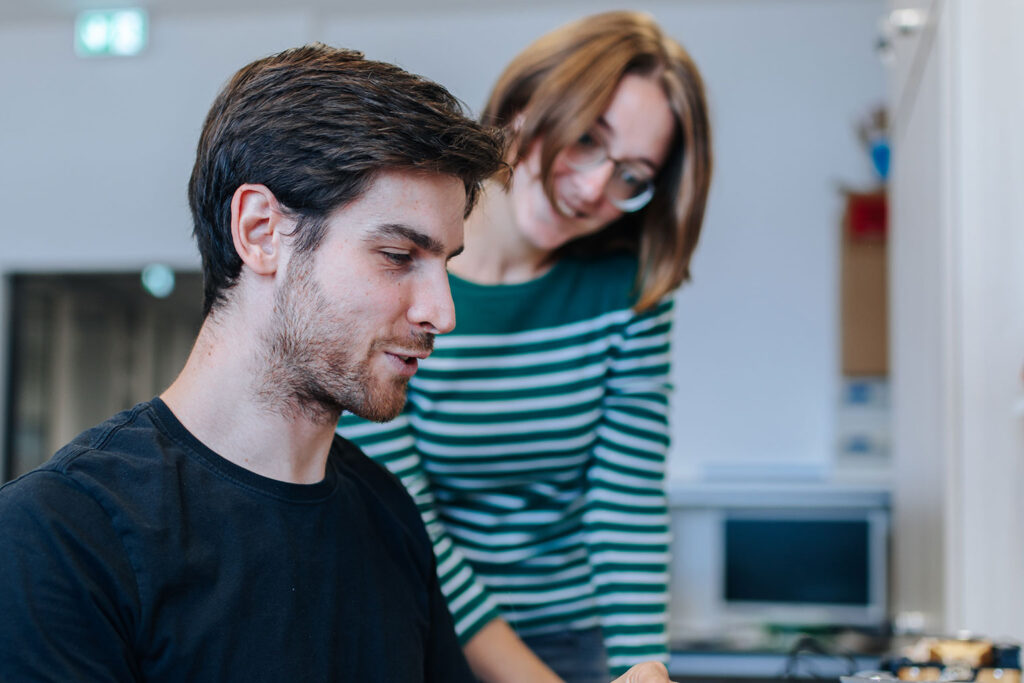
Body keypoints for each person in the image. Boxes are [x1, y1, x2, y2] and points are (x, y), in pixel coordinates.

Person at [0, 44, 503, 682]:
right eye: (400, 256)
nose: (442, 312)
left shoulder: (386, 513)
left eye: (446, 264)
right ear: (262, 230)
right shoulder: (58, 538)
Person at [336, 10, 713, 683]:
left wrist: (642, 666)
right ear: (520, 105)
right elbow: (406, 511)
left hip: (573, 636)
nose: (595, 187)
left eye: (632, 174)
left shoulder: (625, 289)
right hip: (425, 629)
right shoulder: (404, 270)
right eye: (588, 140)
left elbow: (624, 499)